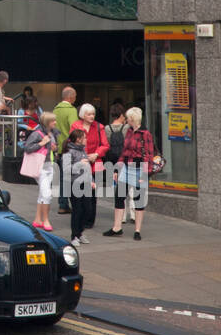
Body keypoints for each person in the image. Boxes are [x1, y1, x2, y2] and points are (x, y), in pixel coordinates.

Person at [103, 106, 154, 240]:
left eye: (128, 118)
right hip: (126, 167)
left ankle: (137, 230)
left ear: (133, 119)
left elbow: (149, 155)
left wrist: (145, 174)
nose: (126, 120)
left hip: (139, 169)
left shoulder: (145, 134)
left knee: (138, 200)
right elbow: (124, 152)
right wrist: (116, 169)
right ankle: (117, 227)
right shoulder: (130, 131)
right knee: (119, 196)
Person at [70, 103, 109, 231]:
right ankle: (80, 217)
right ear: (83, 115)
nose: (92, 116)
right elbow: (72, 142)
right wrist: (83, 156)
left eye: (93, 114)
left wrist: (96, 154)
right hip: (81, 162)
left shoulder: (99, 127)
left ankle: (89, 220)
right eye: (89, 114)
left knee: (92, 194)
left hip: (95, 162)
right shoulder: (76, 126)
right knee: (80, 192)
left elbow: (105, 145)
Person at [24, 112, 60, 232]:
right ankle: (46, 220)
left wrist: (55, 148)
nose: (55, 122)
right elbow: (27, 148)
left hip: (50, 165)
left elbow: (55, 146)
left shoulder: (52, 133)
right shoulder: (37, 133)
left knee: (42, 193)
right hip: (40, 166)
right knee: (47, 194)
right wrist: (42, 143)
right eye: (53, 121)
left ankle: (38, 219)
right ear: (47, 122)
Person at [63, 129, 93, 247]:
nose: (86, 139)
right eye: (84, 137)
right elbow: (66, 170)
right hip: (73, 184)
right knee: (77, 210)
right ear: (78, 139)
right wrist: (80, 163)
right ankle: (74, 235)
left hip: (85, 183)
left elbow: (88, 168)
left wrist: (92, 181)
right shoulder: (68, 152)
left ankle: (80, 233)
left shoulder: (83, 150)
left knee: (88, 209)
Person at [52, 86, 78, 215]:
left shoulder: (55, 110)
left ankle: (62, 203)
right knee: (69, 178)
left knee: (61, 177)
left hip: (58, 148)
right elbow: (74, 130)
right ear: (71, 97)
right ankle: (65, 204)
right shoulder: (71, 110)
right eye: (75, 96)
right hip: (69, 149)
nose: (75, 99)